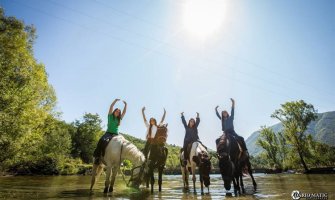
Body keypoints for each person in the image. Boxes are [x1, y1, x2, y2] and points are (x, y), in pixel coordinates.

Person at [93, 98, 127, 164]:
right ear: (114, 111)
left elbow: (124, 112)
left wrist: (125, 105)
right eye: (116, 111)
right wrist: (115, 101)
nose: (118, 112)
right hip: (108, 133)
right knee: (101, 140)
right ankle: (97, 157)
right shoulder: (110, 116)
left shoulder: (119, 119)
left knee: (123, 144)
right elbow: (111, 106)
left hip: (116, 134)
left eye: (119, 112)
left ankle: (120, 160)